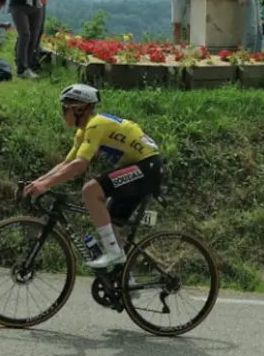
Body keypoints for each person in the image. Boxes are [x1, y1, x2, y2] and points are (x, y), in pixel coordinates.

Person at [23, 84, 163, 269]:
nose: (62, 113)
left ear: (79, 109)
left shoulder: (96, 124)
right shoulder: (84, 131)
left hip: (148, 166)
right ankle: (125, 280)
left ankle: (113, 252)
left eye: (65, 108)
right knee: (110, 221)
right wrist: (39, 182)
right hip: (140, 167)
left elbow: (80, 165)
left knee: (90, 190)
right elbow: (66, 164)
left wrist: (46, 185)